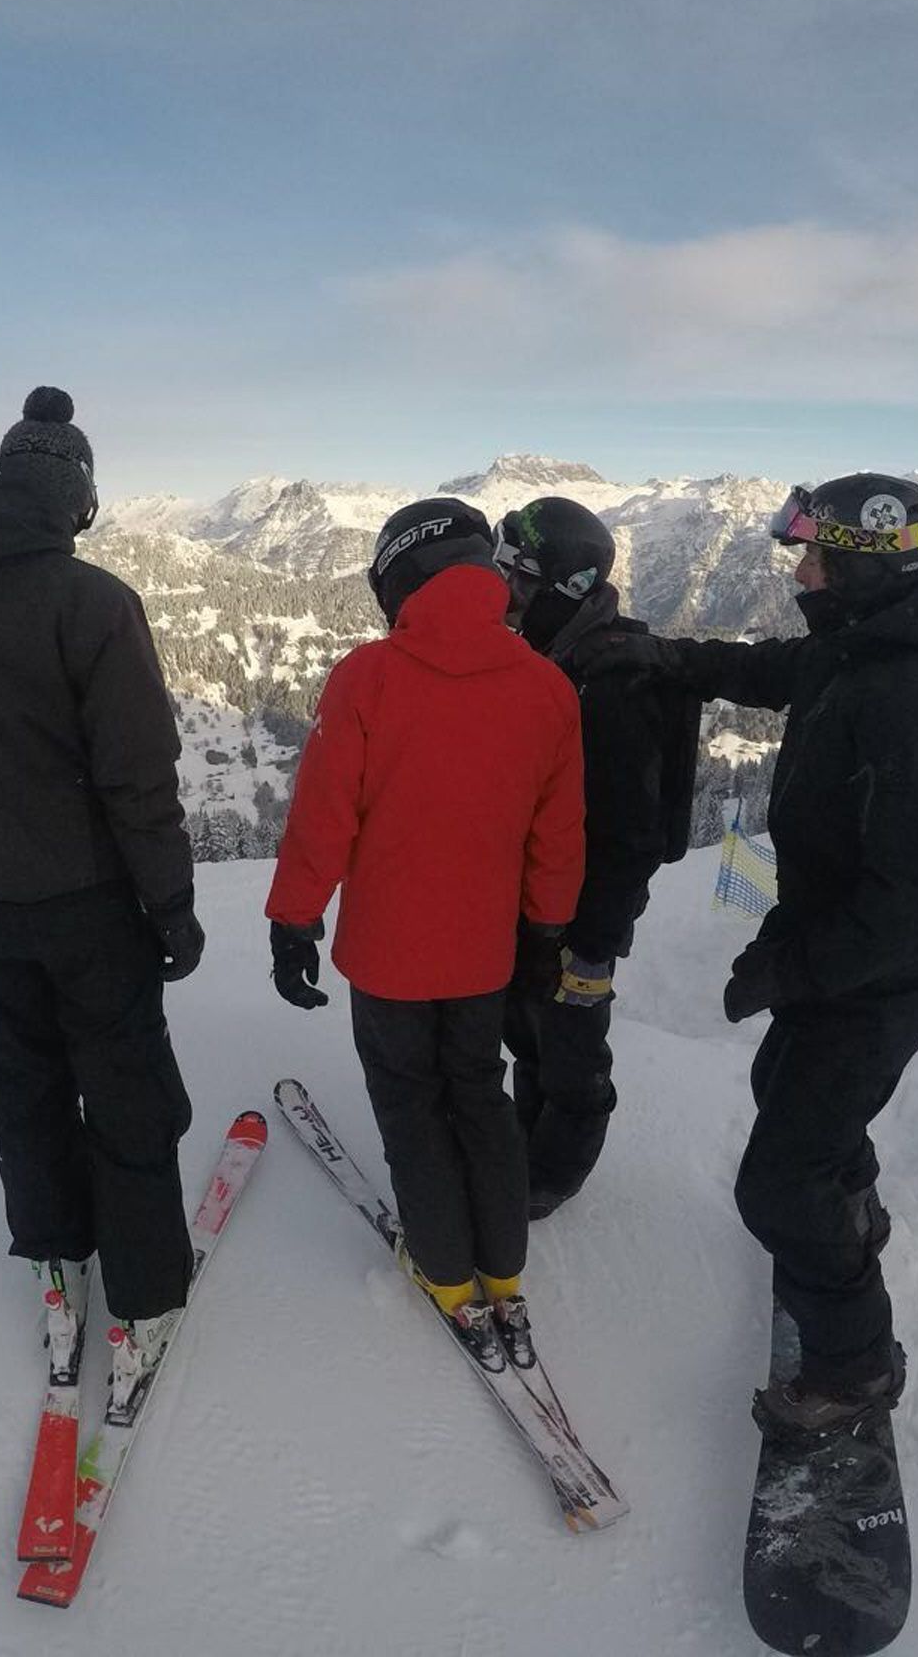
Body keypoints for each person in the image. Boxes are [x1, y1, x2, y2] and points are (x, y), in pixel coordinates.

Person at [592, 474, 918, 1432]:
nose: (799, 570)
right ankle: (850, 1208)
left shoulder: (908, 697)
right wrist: (675, 659)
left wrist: (791, 968)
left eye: (816, 555)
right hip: (844, 950)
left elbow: (913, 901)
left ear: (861, 566)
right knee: (791, 1090)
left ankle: (855, 1367)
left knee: (778, 1181)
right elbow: (780, 672)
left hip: (878, 973)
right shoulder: (866, 648)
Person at [0, 386, 204, 1417]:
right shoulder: (92, 603)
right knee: (126, 1086)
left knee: (21, 1079)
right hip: (91, 903)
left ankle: (53, 1254)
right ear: (78, 501)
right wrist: (172, 906)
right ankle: (145, 1293)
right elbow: (137, 777)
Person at [264, 498, 584, 1370]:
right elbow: (559, 835)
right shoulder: (544, 686)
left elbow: (323, 821)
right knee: (479, 1093)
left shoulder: (368, 680)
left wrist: (294, 920)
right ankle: (503, 1267)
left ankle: (445, 1272)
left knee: (412, 1103)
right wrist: (549, 927)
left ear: (399, 577)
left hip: (390, 954)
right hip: (486, 951)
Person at [491, 497, 697, 1219]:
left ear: (565, 588)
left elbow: (630, 834)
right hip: (534, 905)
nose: (502, 589)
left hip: (582, 919)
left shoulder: (612, 683)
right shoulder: (552, 656)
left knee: (572, 1052)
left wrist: (592, 946)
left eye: (517, 575)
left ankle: (548, 1183)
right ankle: (525, 1146)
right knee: (528, 1034)